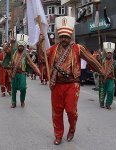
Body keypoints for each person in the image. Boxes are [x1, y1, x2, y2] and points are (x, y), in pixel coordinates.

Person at [43, 16, 105, 145]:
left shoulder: (78, 48)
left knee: (71, 111)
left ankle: (72, 129)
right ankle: (58, 135)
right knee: (56, 112)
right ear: (59, 37)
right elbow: (41, 57)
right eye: (62, 36)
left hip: (72, 84)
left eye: (66, 36)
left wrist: (102, 71)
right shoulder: (53, 49)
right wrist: (40, 42)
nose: (64, 39)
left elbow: (91, 60)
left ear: (70, 36)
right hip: (57, 85)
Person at [10, 34, 40, 108]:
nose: (20, 47)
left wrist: (37, 70)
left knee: (23, 88)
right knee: (13, 88)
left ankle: (22, 101)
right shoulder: (13, 51)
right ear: (17, 46)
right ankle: (13, 102)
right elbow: (8, 50)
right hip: (14, 73)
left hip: (22, 73)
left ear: (24, 47)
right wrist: (11, 43)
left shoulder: (25, 54)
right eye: (19, 45)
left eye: (22, 46)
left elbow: (31, 63)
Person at [99, 42, 116, 109]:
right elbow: (98, 67)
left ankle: (108, 104)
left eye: (110, 53)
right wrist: (99, 54)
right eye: (108, 53)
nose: (109, 54)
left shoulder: (114, 62)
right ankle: (101, 103)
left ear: (111, 54)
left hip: (111, 79)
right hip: (103, 78)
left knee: (110, 91)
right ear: (106, 54)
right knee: (102, 92)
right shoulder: (102, 60)